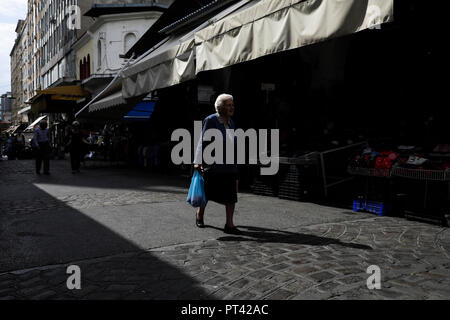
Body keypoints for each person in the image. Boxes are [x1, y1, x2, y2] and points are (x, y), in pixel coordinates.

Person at [194, 94, 241, 234]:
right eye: (228, 105)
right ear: (220, 108)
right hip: (214, 163)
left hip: (230, 164)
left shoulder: (231, 122)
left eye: (232, 105)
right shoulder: (211, 120)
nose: (231, 107)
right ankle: (199, 214)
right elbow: (202, 141)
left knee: (231, 195)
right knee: (207, 192)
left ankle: (229, 224)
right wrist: (197, 161)